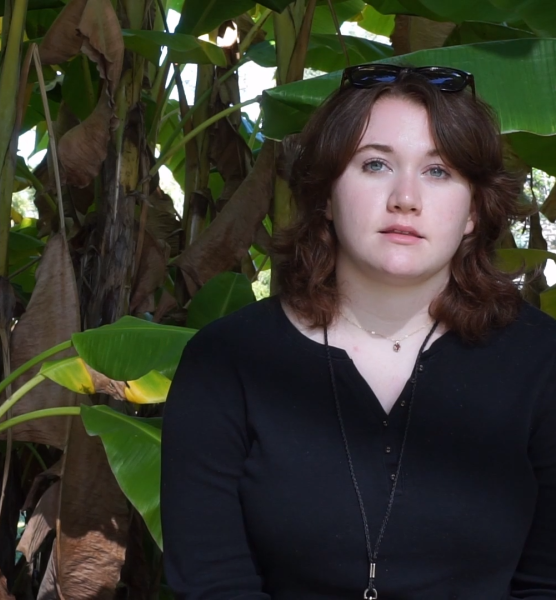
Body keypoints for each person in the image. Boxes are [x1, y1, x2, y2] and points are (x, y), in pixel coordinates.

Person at [160, 64, 556, 599]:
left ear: (473, 211)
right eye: (375, 164)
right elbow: (213, 583)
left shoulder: (541, 363)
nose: (406, 198)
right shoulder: (228, 363)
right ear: (325, 193)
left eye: (439, 171)